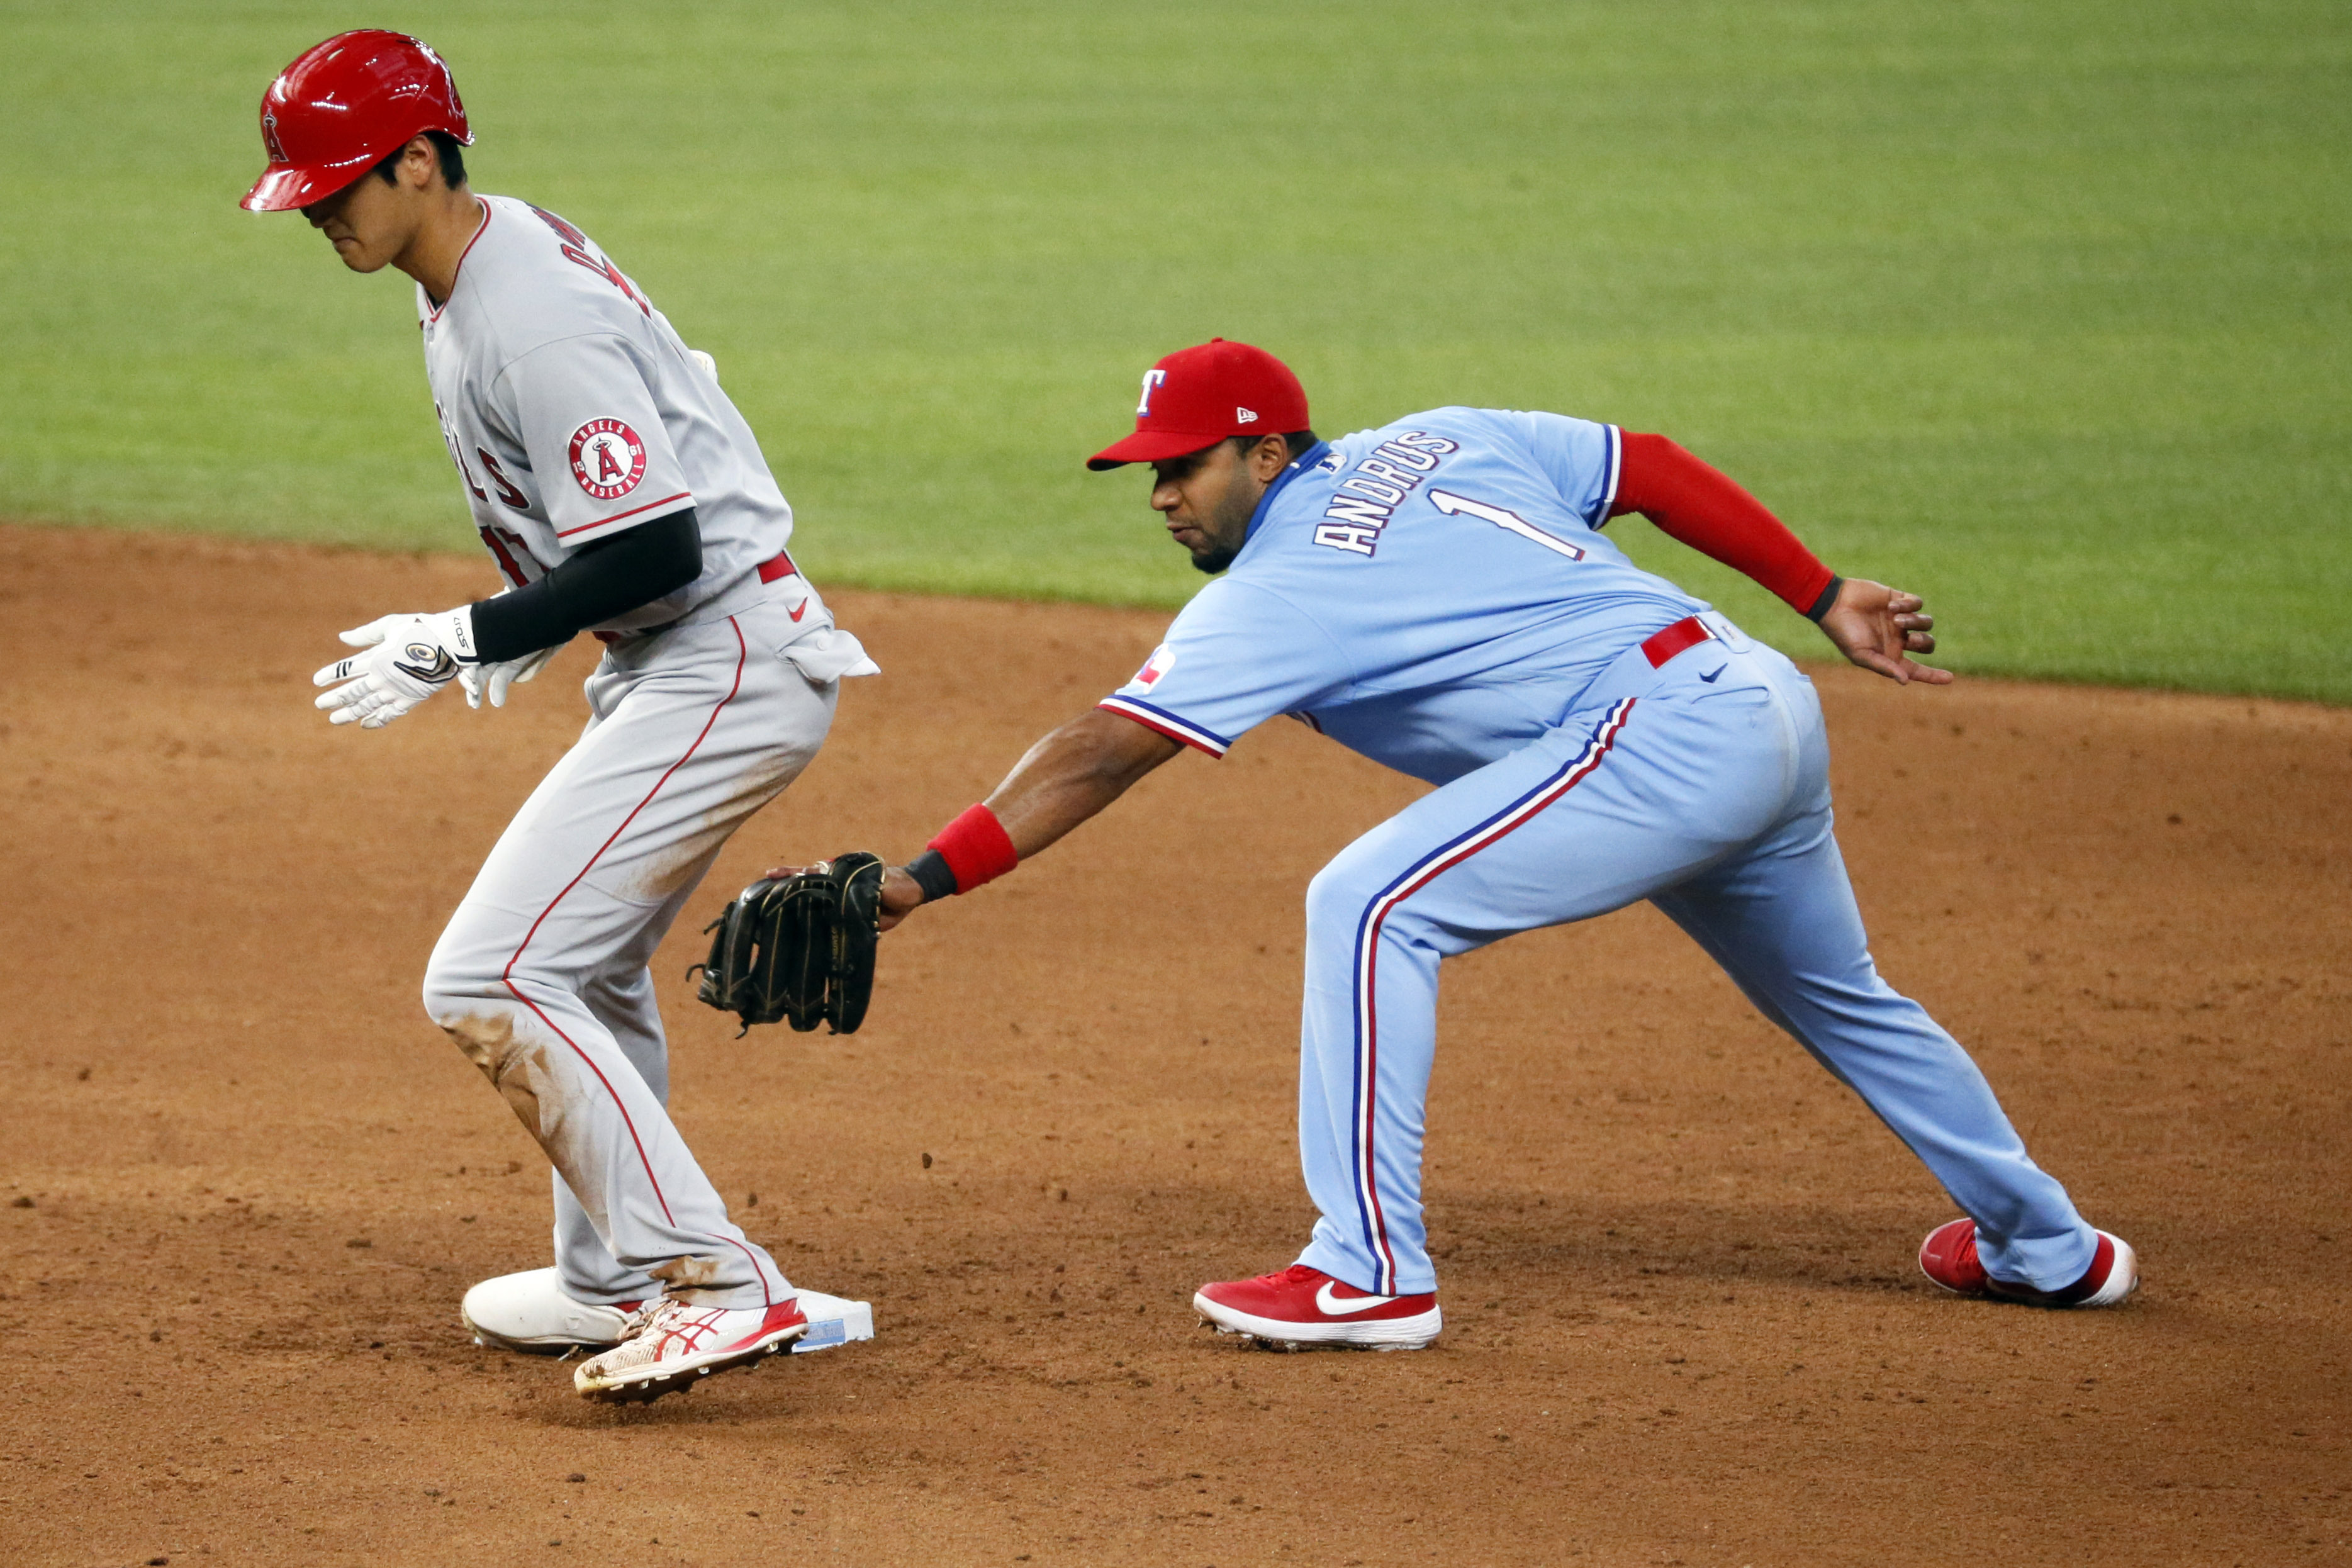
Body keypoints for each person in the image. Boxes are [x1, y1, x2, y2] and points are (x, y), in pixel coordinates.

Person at [855, 337, 2136, 1349]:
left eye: (1182, 467)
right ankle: (2049, 1246)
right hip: (1759, 702)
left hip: (1656, 740)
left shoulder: (1280, 586)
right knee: (1844, 996)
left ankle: (1368, 1275)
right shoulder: (1439, 434)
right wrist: (1819, 591)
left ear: (1262, 451)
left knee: (1369, 904)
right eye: (1151, 470)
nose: (1162, 495)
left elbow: (1103, 746)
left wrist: (916, 880)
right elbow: (1651, 463)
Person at [242, 31, 878, 1400]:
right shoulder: (474, 257)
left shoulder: (525, 313)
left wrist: (467, 630)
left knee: (487, 974)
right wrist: (541, 606)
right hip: (687, 651)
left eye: (339, 186)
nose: (320, 215)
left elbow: (651, 547)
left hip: (723, 660)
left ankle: (715, 1281)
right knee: (582, 968)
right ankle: (613, 1281)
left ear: (422, 160)